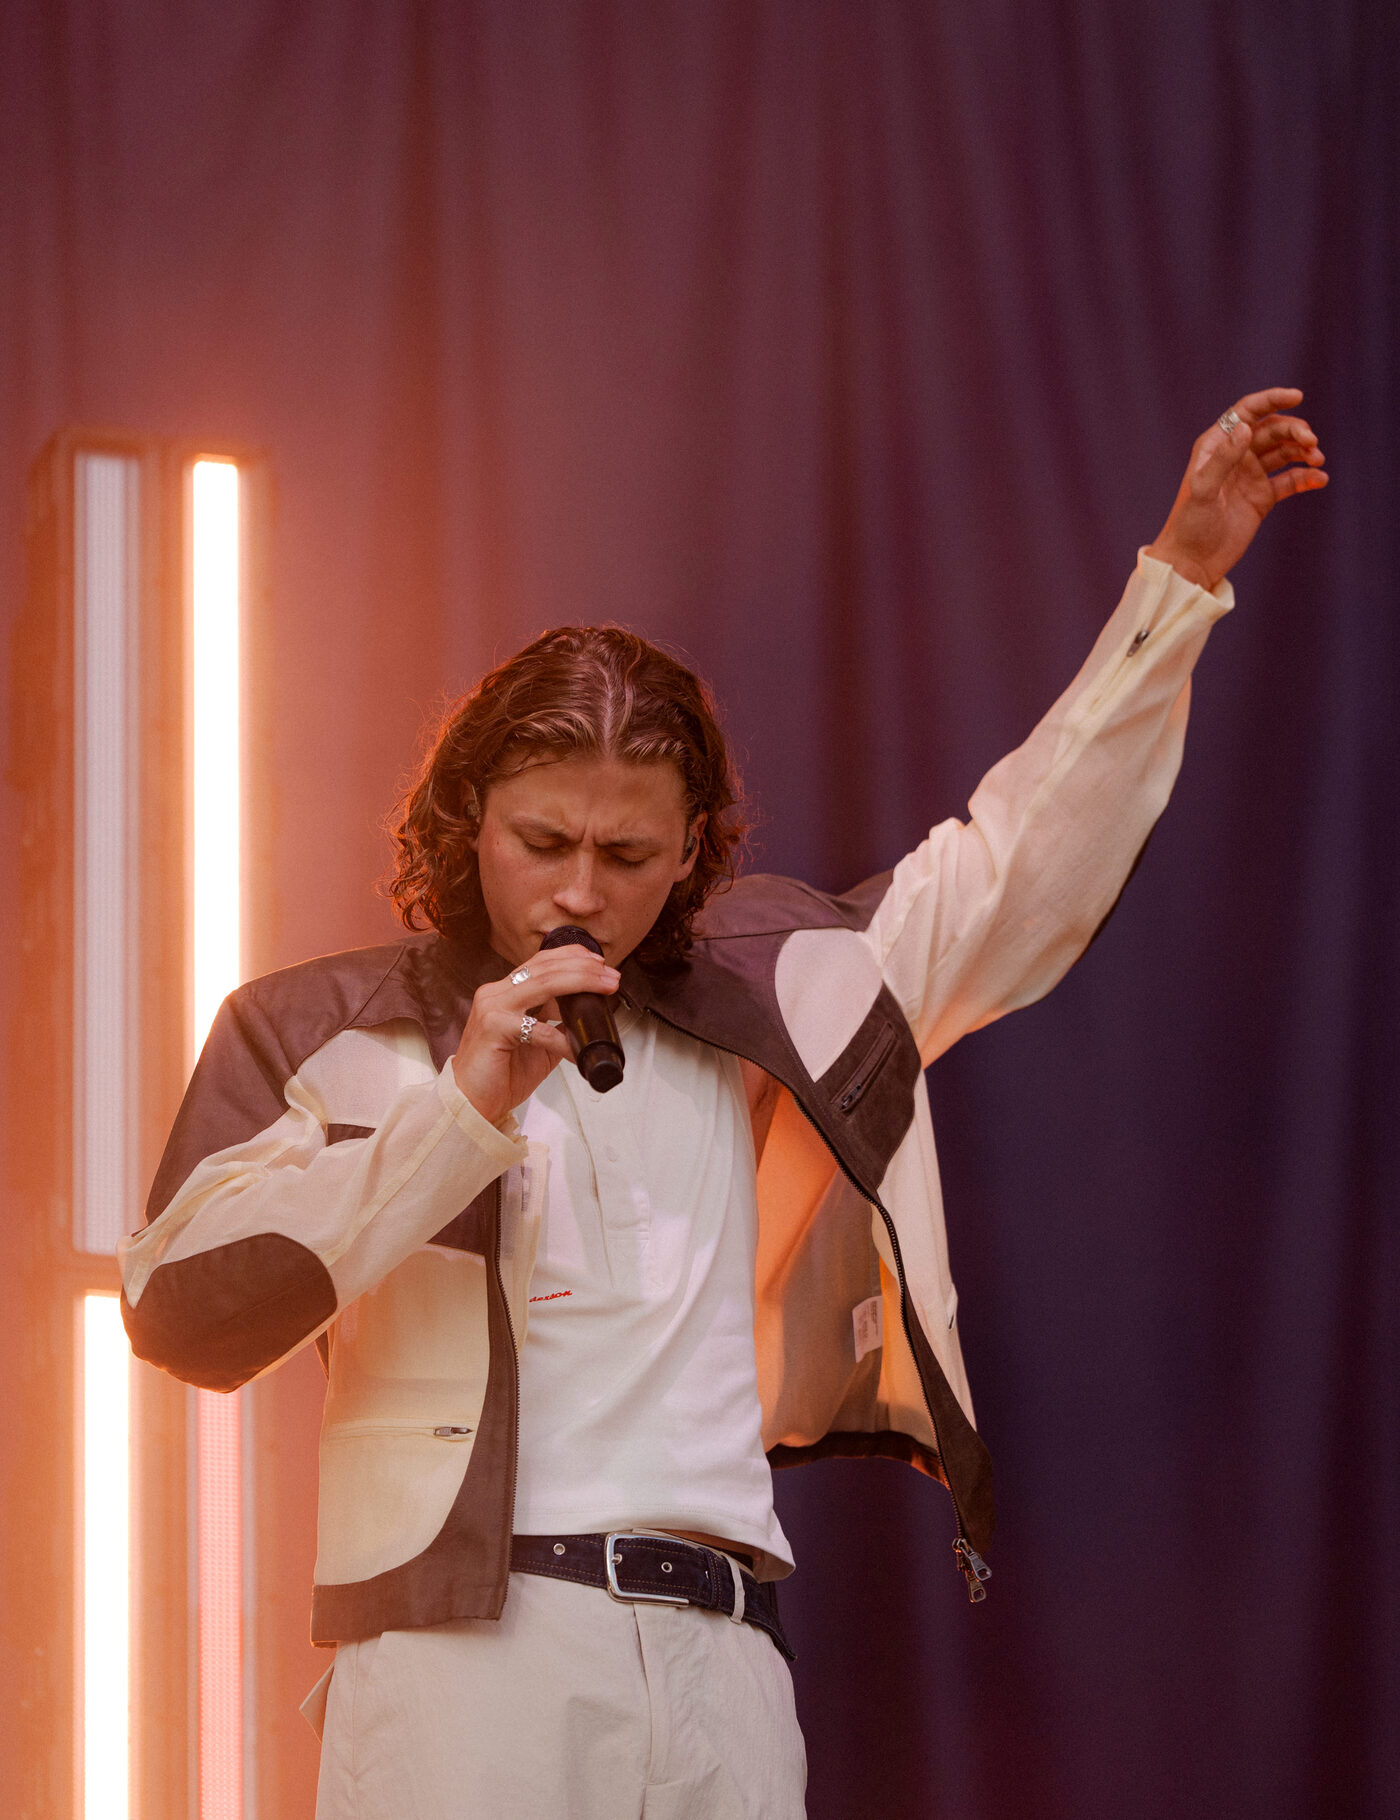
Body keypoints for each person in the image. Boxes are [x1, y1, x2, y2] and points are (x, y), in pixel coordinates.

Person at [121, 391, 1326, 1819]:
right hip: (468, 1663)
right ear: (467, 821)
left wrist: (1178, 580)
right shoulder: (324, 1027)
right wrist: (456, 1111)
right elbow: (182, 1309)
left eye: (628, 855)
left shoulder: (785, 991)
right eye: (542, 842)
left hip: (725, 1656)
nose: (580, 890)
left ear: (693, 846)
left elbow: (1015, 865)